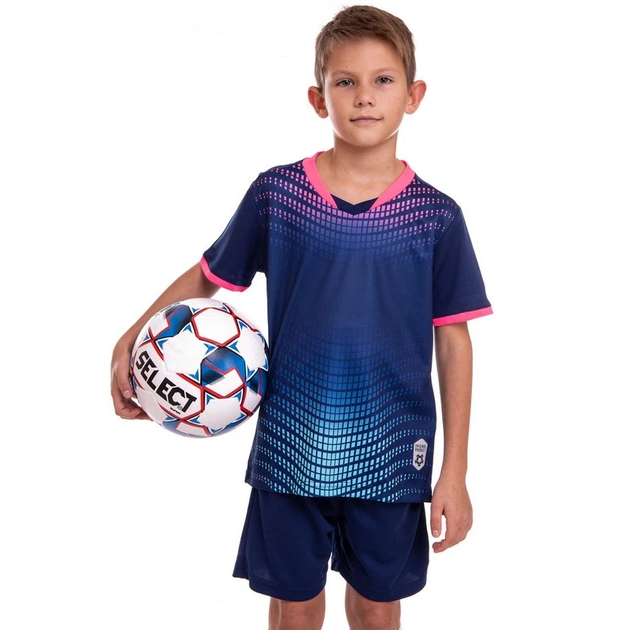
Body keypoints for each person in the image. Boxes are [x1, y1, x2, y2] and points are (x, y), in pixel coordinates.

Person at [110, 5, 492, 629]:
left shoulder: (436, 216)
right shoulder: (279, 195)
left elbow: (454, 341)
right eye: (346, 81)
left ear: (413, 95)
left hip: (393, 451)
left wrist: (455, 471)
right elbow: (209, 276)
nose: (364, 96)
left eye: (383, 80)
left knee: (377, 605)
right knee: (293, 605)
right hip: (291, 444)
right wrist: (132, 338)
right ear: (319, 99)